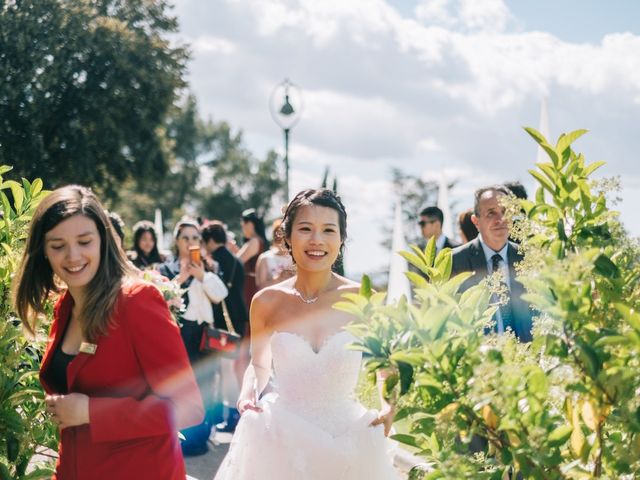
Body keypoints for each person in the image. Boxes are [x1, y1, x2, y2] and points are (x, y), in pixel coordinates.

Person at [12, 185, 203, 479]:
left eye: (84, 241)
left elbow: (189, 408)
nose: (72, 256)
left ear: (104, 240)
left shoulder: (137, 301)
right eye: (58, 245)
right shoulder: (65, 307)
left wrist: (91, 412)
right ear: (43, 253)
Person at [214, 188, 400, 479]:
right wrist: (247, 394)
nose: (317, 240)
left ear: (341, 239)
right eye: (305, 229)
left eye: (328, 230)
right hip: (282, 439)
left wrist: (389, 406)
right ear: (287, 237)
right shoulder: (266, 302)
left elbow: (383, 365)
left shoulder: (362, 297)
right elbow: (259, 364)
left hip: (347, 440)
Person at [159, 219, 228, 456]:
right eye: (185, 238)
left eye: (195, 238)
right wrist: (181, 277)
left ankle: (201, 437)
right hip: (180, 333)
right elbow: (162, 298)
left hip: (205, 334)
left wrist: (202, 276)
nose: (191, 243)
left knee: (206, 383)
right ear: (177, 241)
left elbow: (221, 295)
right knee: (183, 386)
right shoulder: (166, 269)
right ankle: (182, 438)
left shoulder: (210, 267)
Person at [450, 185, 533, 342]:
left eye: (505, 212)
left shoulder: (528, 258)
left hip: (526, 358)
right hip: (479, 359)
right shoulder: (456, 262)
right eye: (491, 213)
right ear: (476, 221)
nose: (500, 219)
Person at [201, 221, 248, 433]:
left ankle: (231, 415)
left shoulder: (215, 260)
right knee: (232, 368)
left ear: (210, 240)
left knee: (226, 370)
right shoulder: (236, 260)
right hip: (239, 318)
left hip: (223, 322)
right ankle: (231, 413)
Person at [236, 208, 268, 307]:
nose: (243, 229)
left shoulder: (255, 241)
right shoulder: (259, 241)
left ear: (250, 224)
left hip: (250, 285)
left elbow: (237, 261)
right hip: (252, 283)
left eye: (243, 225)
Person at [254, 218, 294, 289]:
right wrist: (278, 279)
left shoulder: (297, 257)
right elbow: (260, 287)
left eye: (285, 238)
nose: (282, 242)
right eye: (278, 238)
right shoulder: (265, 258)